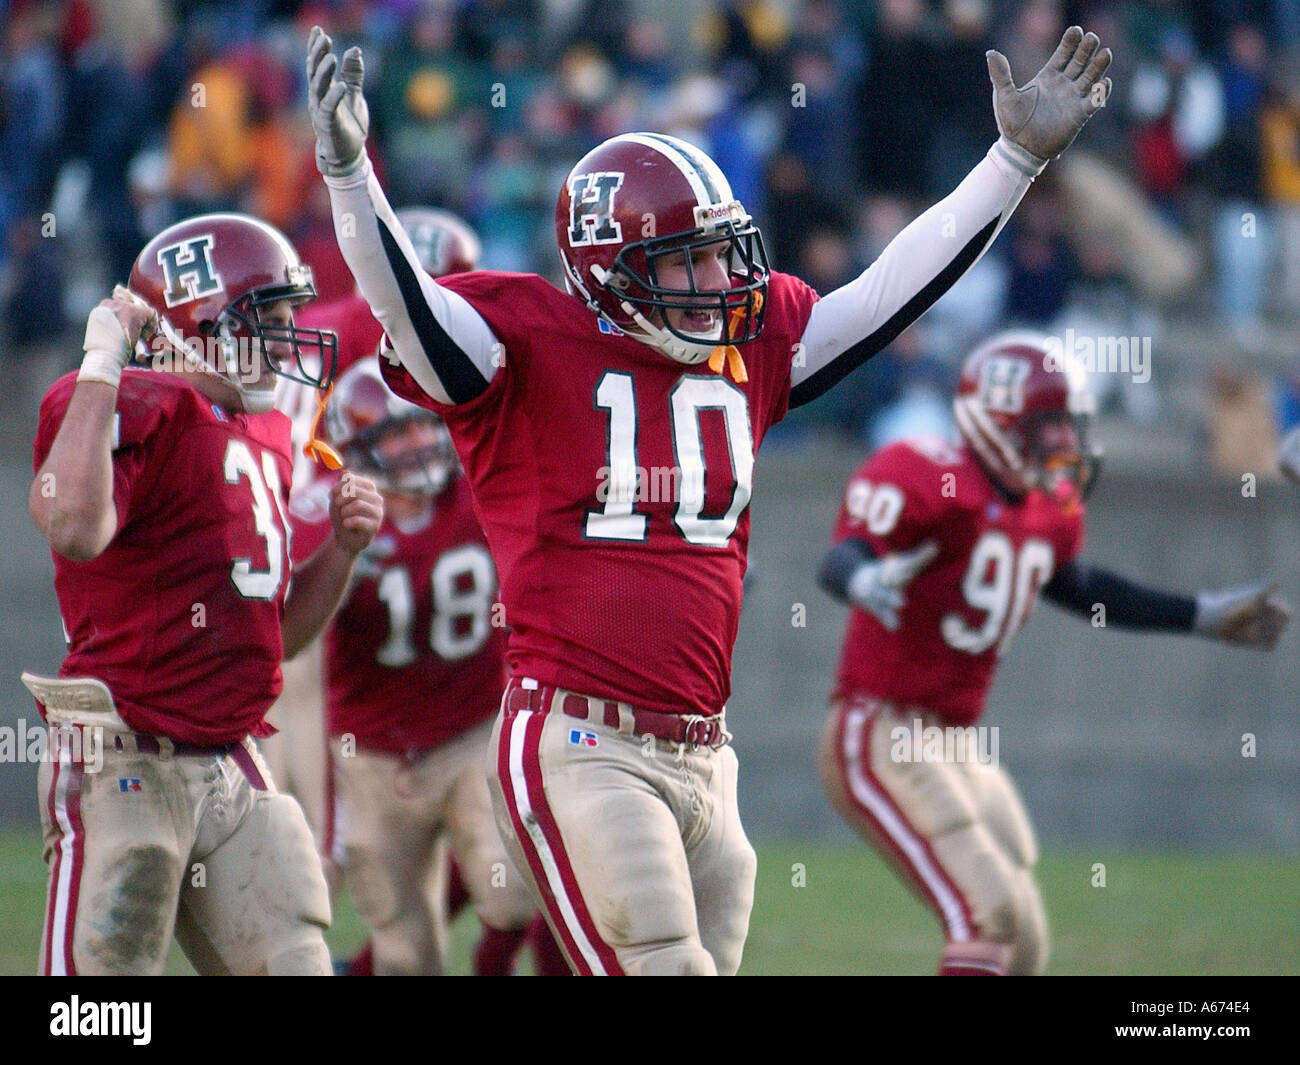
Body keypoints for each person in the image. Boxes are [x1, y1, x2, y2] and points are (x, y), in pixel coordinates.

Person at [305, 24, 1114, 975]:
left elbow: (895, 287)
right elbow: (402, 298)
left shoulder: (752, 343)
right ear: (610, 270)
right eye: (688, 260)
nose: (721, 281)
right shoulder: (521, 341)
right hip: (577, 736)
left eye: (723, 254)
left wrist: (1011, 161)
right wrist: (350, 174)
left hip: (704, 751)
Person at [816, 331, 1290, 976]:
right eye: (1050, 426)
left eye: (1070, 425)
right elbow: (843, 556)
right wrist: (863, 581)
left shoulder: (1046, 510)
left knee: (1025, 945)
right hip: (881, 727)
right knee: (989, 914)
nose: (1067, 442)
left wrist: (1200, 615)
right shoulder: (930, 474)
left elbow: (1082, 587)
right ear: (995, 421)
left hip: (956, 741)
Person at [25, 213, 384, 975]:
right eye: (272, 319)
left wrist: (343, 552)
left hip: (230, 760)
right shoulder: (129, 401)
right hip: (125, 754)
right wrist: (101, 364)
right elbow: (73, 525)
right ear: (202, 322)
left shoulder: (260, 435)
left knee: (297, 960)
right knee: (101, 1004)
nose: (291, 340)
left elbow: (276, 636)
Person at [295, 358, 565, 975]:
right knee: (405, 953)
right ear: (356, 449)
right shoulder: (323, 514)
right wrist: (335, 564)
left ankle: (487, 962)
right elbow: (288, 635)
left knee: (514, 895)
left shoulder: (480, 488)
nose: (419, 443)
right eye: (397, 433)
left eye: (424, 426)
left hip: (474, 733)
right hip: (372, 756)